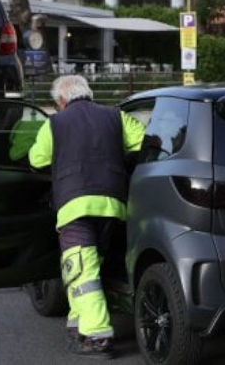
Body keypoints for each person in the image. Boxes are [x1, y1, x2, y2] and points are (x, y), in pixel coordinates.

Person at [28, 75, 145, 359]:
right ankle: (79, 323)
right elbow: (143, 141)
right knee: (86, 267)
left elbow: (36, 159)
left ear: (61, 101)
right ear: (89, 94)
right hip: (112, 204)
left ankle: (97, 337)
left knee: (82, 271)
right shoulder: (115, 116)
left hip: (75, 205)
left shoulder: (55, 123)